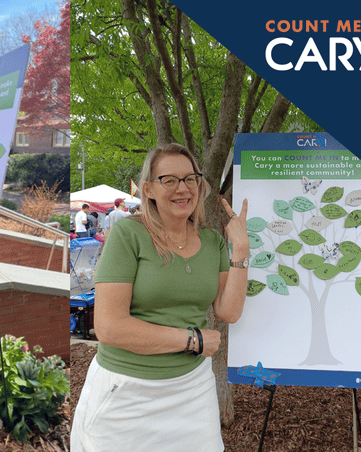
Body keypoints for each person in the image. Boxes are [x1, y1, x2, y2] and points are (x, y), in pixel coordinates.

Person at [71, 144, 249, 451]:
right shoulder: (128, 235)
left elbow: (228, 311)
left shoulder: (213, 241)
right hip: (127, 392)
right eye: (170, 180)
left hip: (193, 388)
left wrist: (242, 252)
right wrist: (192, 339)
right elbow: (109, 328)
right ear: (149, 189)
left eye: (190, 179)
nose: (183, 189)